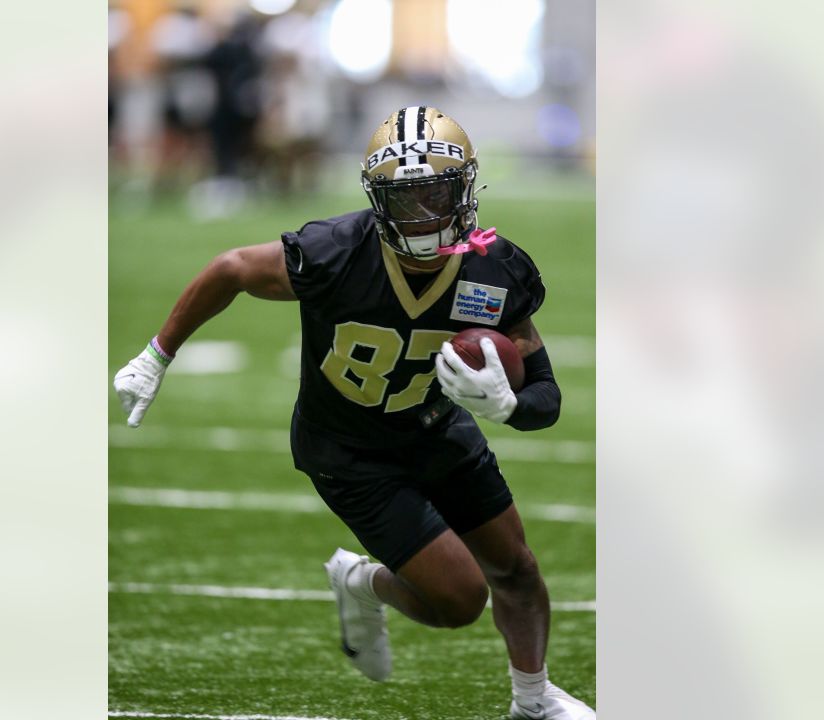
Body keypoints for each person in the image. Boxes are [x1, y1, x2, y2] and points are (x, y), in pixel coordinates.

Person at [114, 106, 595, 720]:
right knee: (459, 599)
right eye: (404, 199)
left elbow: (546, 397)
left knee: (517, 568)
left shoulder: (493, 266)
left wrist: (507, 404)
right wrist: (158, 354)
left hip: (434, 427)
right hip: (349, 450)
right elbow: (232, 268)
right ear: (376, 199)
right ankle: (363, 581)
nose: (422, 216)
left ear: (466, 188)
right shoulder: (335, 251)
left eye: (436, 194)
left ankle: (533, 701)